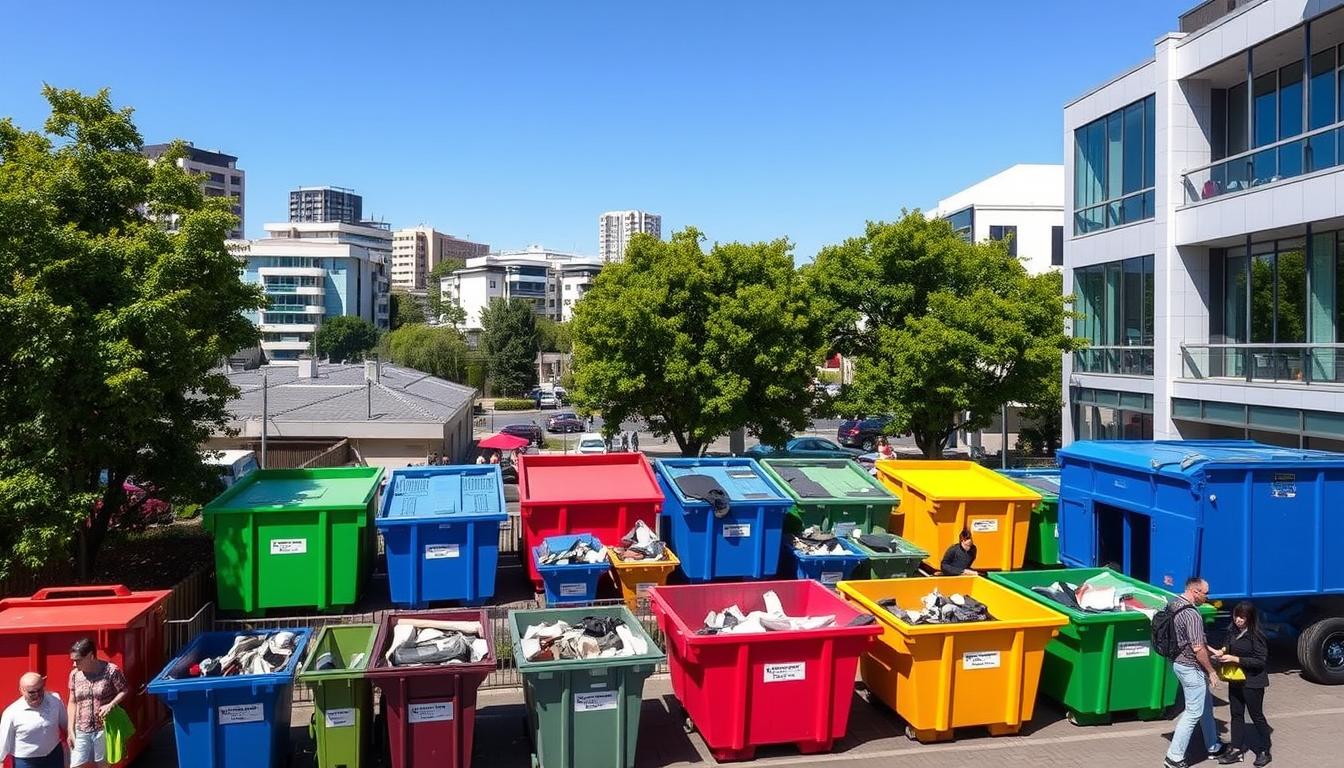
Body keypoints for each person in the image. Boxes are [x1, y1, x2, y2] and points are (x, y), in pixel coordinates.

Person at [1164, 577, 1226, 768]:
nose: (1208, 597)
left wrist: (1213, 650)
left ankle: (1213, 745)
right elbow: (1198, 648)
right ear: (1195, 591)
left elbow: (1192, 638)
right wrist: (1211, 671)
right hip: (1192, 668)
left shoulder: (1174, 604)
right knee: (1192, 713)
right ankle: (1174, 757)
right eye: (1206, 593)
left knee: (1205, 707)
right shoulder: (1192, 614)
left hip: (1178, 663)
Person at [1214, 602, 1271, 766]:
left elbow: (1260, 661)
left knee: (1256, 716)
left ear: (1250, 618)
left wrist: (1235, 659)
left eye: (1242, 617)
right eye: (1236, 616)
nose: (1238, 620)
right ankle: (1237, 749)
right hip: (1236, 680)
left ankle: (1264, 750)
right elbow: (1227, 645)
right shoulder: (1232, 630)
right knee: (1236, 714)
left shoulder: (1256, 635)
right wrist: (1222, 652)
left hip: (1253, 682)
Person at [67, 638, 128, 768]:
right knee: (76, 764)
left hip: (103, 727)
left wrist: (111, 704)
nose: (74, 664)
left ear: (90, 656)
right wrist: (70, 729)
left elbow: (124, 690)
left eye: (77, 660)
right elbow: (72, 701)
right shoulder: (74, 675)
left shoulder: (111, 671)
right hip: (81, 727)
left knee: (103, 764)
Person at [0, 673, 66, 768]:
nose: (37, 695)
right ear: (21, 690)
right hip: (26, 761)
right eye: (31, 692)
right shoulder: (11, 713)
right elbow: (4, 741)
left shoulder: (55, 700)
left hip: (53, 755)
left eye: (40, 690)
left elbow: (66, 725)